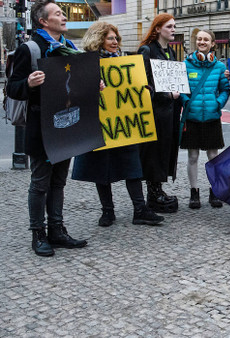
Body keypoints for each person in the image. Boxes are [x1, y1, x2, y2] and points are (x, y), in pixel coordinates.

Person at [7, 0, 87, 256]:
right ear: (43, 21)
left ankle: (57, 230)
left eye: (63, 13)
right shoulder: (30, 49)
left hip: (66, 124)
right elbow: (12, 88)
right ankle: (38, 234)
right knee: (40, 182)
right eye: (58, 14)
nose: (64, 17)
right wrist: (29, 83)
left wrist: (93, 85)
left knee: (59, 182)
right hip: (41, 127)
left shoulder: (70, 48)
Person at [71, 22, 164, 227]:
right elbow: (74, 93)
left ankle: (140, 210)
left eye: (116, 38)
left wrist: (145, 90)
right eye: (110, 38)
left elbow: (137, 86)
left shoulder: (124, 61)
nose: (115, 42)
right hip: (100, 124)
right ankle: (107, 211)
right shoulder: (86, 63)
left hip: (124, 125)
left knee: (132, 166)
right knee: (101, 169)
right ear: (98, 39)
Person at [181, 29, 230, 209]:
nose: (202, 42)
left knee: (213, 157)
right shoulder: (185, 65)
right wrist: (186, 102)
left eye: (206, 40)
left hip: (211, 117)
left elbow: (226, 90)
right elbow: (181, 89)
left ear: (212, 44)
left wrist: (218, 104)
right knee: (192, 156)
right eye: (199, 39)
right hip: (192, 117)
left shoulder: (219, 67)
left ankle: (214, 191)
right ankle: (194, 193)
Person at [137, 14, 181, 213]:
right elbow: (143, 85)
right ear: (157, 29)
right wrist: (166, 95)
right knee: (154, 153)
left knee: (165, 150)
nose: (173, 29)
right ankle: (153, 194)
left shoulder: (170, 52)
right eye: (169, 26)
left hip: (169, 112)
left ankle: (158, 190)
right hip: (155, 112)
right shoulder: (147, 50)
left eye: (174, 26)